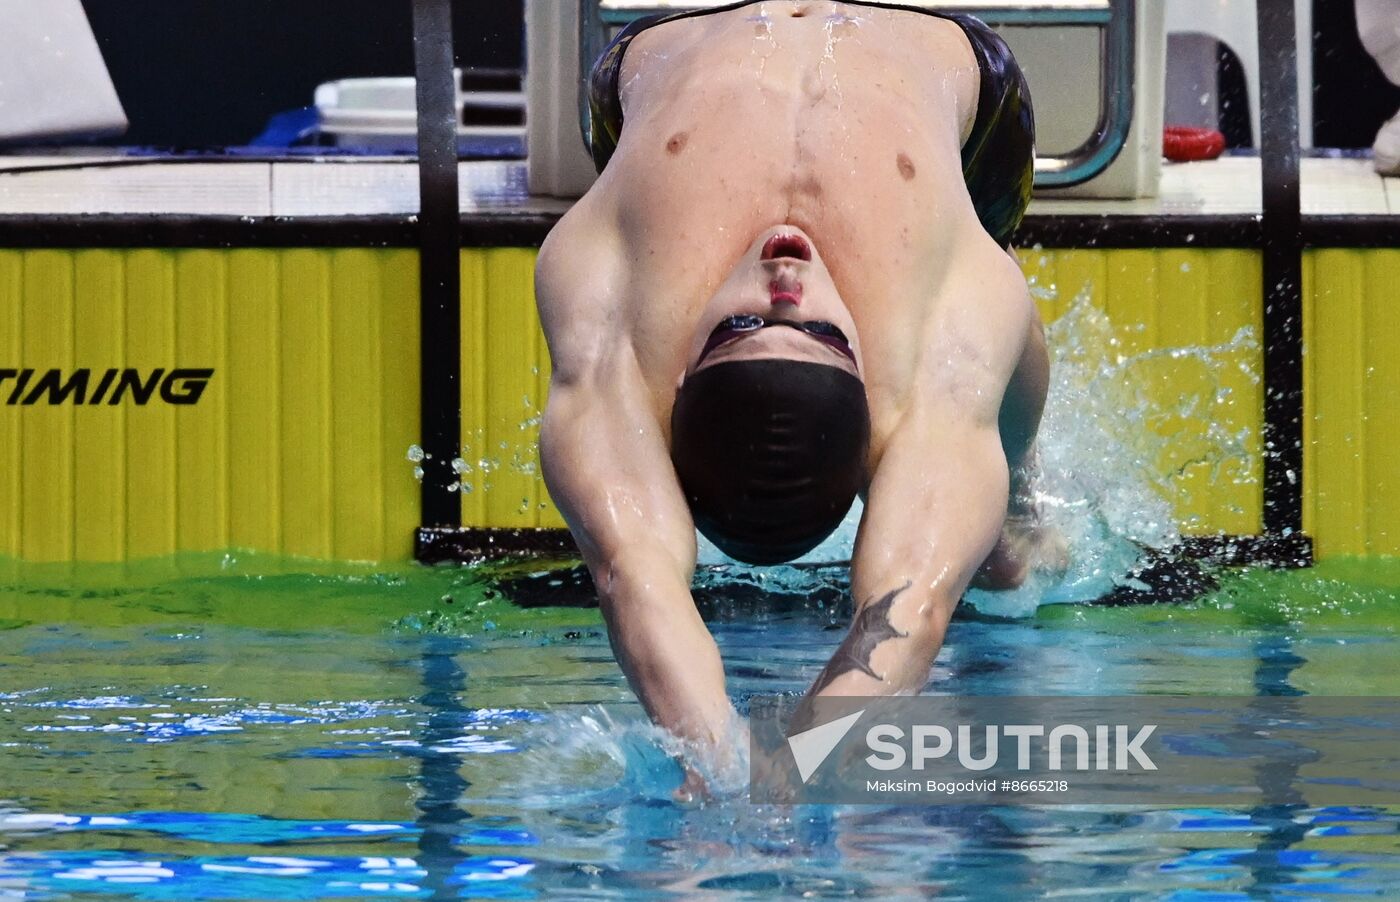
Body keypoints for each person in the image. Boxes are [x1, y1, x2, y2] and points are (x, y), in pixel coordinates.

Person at [535, 0, 1058, 769]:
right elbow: (910, 608)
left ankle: (997, 510)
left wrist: (718, 761)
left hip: (693, 25)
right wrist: (796, 770)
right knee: (1001, 323)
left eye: (738, 329)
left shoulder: (611, 327)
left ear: (677, 375)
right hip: (927, 39)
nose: (785, 284)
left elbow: (630, 572)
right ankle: (1010, 515)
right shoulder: (927, 364)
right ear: (869, 393)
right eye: (820, 331)